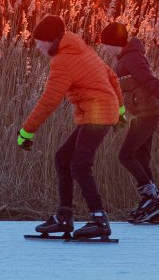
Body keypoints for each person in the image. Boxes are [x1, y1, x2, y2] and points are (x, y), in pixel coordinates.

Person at [17, 15, 124, 240]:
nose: (37, 46)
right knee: (63, 158)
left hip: (97, 113)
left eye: (40, 41)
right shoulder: (82, 49)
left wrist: (27, 131)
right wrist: (121, 111)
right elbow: (112, 76)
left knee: (80, 165)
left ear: (52, 40)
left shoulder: (63, 61)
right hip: (101, 111)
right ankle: (64, 216)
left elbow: (49, 100)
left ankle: (99, 219)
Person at [97, 21, 159, 224]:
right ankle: (153, 210)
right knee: (141, 159)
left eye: (106, 44)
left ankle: (153, 197)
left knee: (125, 155)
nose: (105, 48)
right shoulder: (123, 60)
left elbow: (150, 82)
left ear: (115, 42)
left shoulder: (133, 58)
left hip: (147, 115)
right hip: (142, 115)